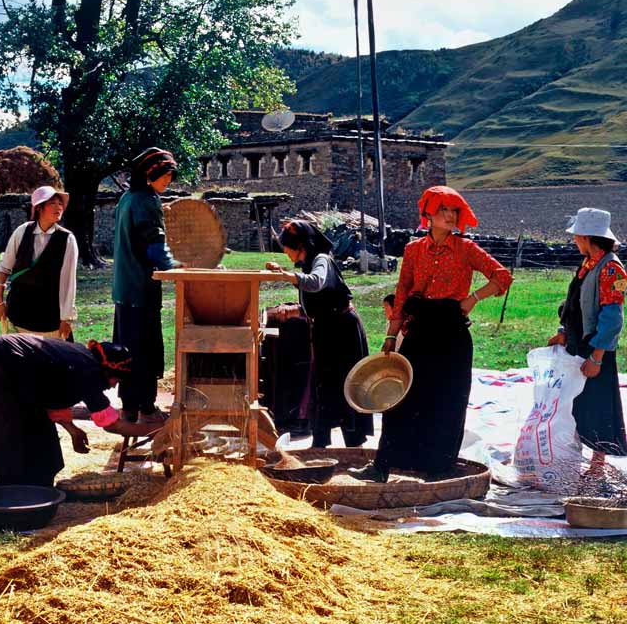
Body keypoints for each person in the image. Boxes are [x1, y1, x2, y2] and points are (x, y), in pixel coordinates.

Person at [352, 186, 513, 482]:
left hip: (452, 334)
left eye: (454, 211)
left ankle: (438, 468)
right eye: (443, 210)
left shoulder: (466, 249)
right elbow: (402, 292)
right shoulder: (413, 250)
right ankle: (382, 465)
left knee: (446, 400)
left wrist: (473, 298)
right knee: (402, 400)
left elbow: (502, 276)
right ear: (428, 214)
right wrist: (391, 334)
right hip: (419, 332)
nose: (450, 216)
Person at [0, 336, 160, 489]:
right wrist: (157, 428)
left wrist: (73, 430)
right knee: (8, 428)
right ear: (108, 370)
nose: (114, 387)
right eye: (117, 379)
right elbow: (113, 425)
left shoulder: (82, 361)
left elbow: (49, 395)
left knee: (37, 427)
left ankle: (28, 486)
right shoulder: (89, 372)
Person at [265, 220, 372, 448]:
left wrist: (286, 276)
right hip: (327, 329)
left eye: (288, 248)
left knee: (345, 383)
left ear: (301, 245)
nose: (286, 253)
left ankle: (353, 445)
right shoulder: (308, 265)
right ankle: (320, 442)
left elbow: (316, 284)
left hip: (343, 332)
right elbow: (318, 300)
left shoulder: (321, 260)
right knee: (323, 385)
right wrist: (295, 309)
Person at [547, 208, 627, 479]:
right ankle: (575, 458)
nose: (574, 240)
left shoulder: (611, 269)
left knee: (598, 405)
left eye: (577, 236)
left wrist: (596, 357)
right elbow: (575, 305)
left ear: (587, 236)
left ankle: (597, 465)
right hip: (579, 343)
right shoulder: (589, 264)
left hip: (596, 347)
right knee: (577, 402)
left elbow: (612, 317)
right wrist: (564, 331)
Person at [112, 148, 180, 424]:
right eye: (165, 175)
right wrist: (174, 267)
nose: (169, 181)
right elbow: (153, 243)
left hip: (124, 288)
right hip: (141, 288)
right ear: (150, 174)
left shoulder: (127, 198)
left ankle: (129, 405)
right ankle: (147, 408)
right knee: (145, 349)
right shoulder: (147, 200)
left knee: (126, 349)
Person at [0, 186, 78, 339]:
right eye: (52, 203)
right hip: (19, 311)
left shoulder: (67, 239)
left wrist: (66, 318)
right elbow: (4, 268)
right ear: (39, 207)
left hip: (49, 314)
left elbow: (68, 282)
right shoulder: (22, 231)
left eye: (60, 204)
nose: (58, 207)